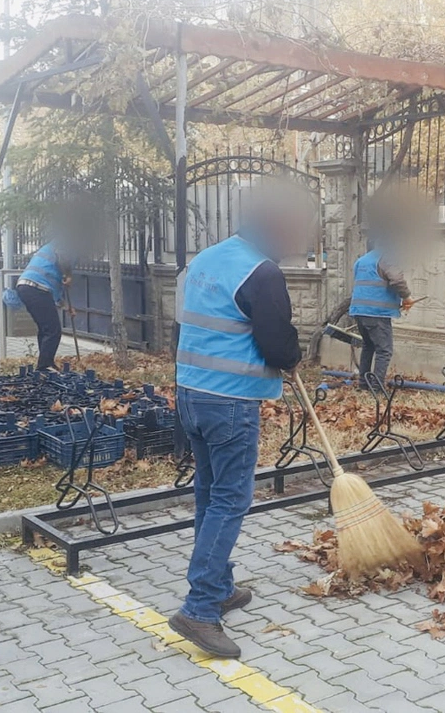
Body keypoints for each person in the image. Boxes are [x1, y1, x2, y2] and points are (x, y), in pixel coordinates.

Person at [169, 182, 311, 659]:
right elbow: (277, 343)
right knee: (231, 500)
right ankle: (201, 608)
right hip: (229, 403)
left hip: (191, 393)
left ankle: (221, 586)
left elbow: (186, 320)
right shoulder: (261, 271)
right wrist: (292, 357)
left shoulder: (208, 258)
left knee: (210, 495)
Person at [349, 237, 413, 389]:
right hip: (377, 313)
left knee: (368, 346)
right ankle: (377, 388)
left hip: (359, 311)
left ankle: (363, 384)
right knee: (384, 351)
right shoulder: (386, 258)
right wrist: (407, 297)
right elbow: (397, 280)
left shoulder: (361, 261)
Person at [16, 238, 75, 372]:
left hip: (26, 287)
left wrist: (66, 306)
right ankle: (44, 367)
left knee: (45, 328)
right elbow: (63, 259)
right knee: (53, 330)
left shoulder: (53, 247)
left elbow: (55, 285)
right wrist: (69, 274)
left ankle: (46, 364)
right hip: (37, 287)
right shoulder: (66, 245)